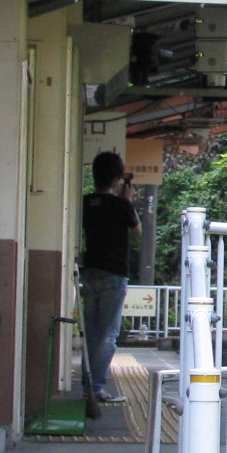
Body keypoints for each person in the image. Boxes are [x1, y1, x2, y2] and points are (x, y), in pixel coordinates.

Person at [81, 151, 139, 405]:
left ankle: (89, 384)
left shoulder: (84, 202)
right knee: (108, 334)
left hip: (90, 270)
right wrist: (128, 200)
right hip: (114, 273)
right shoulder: (122, 205)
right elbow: (138, 231)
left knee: (92, 331)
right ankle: (97, 387)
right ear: (117, 178)